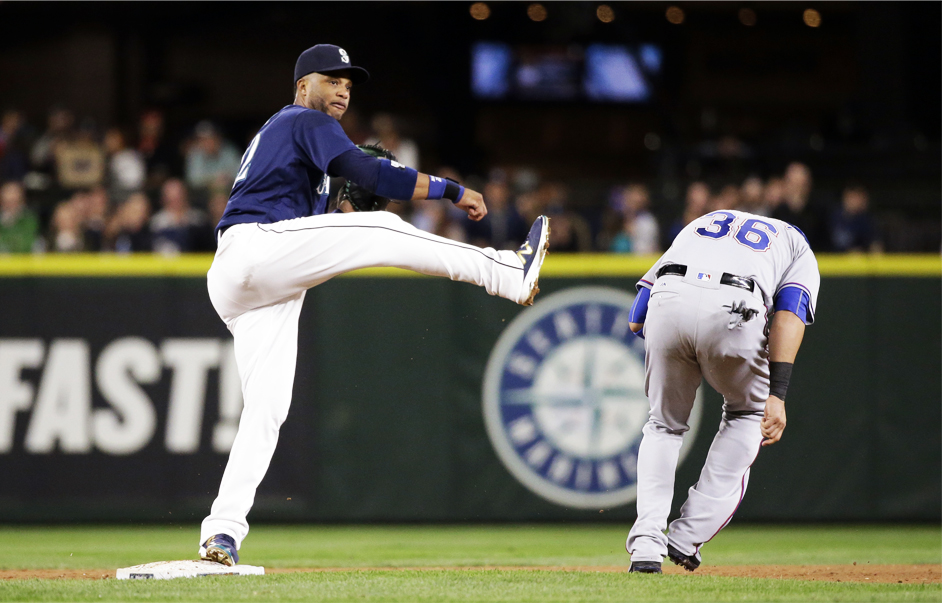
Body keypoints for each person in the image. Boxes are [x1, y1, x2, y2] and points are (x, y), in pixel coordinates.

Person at [198, 44, 549, 566]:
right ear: (302, 86)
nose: (342, 88)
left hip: (251, 280)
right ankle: (504, 272)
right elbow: (374, 177)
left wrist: (340, 206)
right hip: (256, 249)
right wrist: (454, 190)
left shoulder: (295, 145)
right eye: (331, 78)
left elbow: (330, 207)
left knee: (267, 409)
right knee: (383, 224)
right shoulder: (302, 117)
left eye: (348, 82)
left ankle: (221, 532)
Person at [623, 209, 819, 574]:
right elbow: (788, 316)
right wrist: (777, 395)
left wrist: (672, 346)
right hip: (736, 304)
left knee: (664, 426)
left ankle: (646, 547)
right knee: (749, 413)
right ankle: (686, 537)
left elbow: (636, 318)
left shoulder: (702, 224)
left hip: (669, 297)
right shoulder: (795, 245)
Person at [0, 181, 39, 253]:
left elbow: (26, 243)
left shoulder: (29, 219)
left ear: (22, 200)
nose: (11, 206)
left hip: (23, 261)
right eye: (8, 202)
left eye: (14, 201)